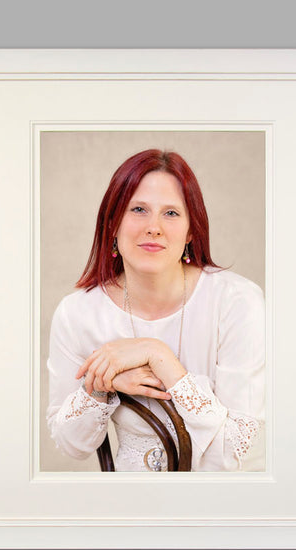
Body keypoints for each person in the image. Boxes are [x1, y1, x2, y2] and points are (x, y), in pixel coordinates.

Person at [46, 149, 265, 471]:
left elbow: (239, 452)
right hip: (131, 505)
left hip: (224, 506)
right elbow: (71, 445)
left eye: (171, 213)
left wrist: (155, 354)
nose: (154, 227)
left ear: (192, 230)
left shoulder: (237, 300)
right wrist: (101, 385)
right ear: (112, 225)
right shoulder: (78, 312)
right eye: (138, 209)